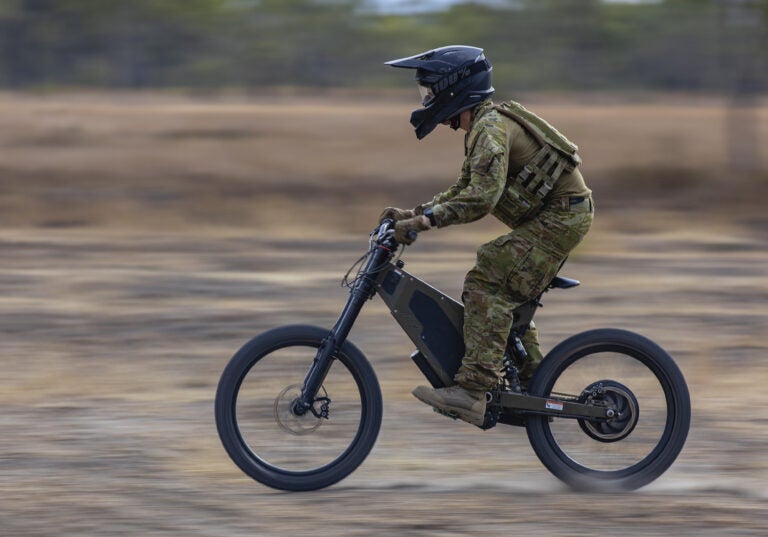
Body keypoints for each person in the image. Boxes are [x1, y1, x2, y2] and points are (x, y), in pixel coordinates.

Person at [380, 45, 594, 427]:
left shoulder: (490, 128)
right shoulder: (483, 126)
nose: (425, 100)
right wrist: (414, 215)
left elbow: (481, 199)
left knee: (487, 278)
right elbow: (464, 188)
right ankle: (532, 383)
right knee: (505, 290)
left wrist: (427, 223)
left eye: (429, 91)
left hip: (562, 218)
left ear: (454, 89)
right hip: (558, 217)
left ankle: (473, 391)